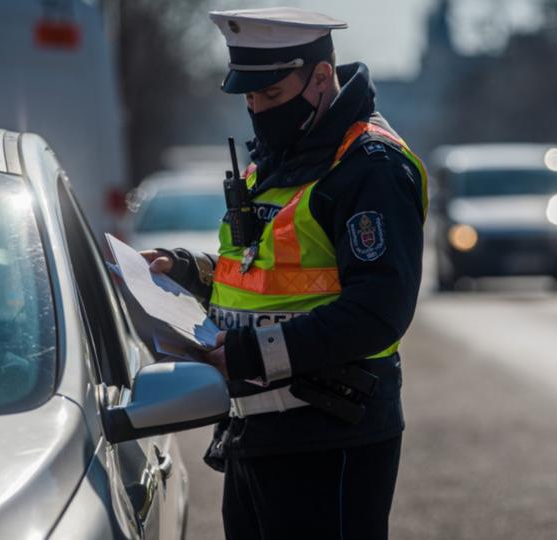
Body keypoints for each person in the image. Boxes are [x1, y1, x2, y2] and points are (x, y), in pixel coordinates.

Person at [141, 7, 428, 539]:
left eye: (270, 96)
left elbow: (378, 311)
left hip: (330, 439)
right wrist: (186, 271)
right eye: (249, 97)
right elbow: (255, 274)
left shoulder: (370, 167)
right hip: (257, 433)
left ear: (321, 77)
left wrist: (250, 354)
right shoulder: (276, 160)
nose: (257, 109)